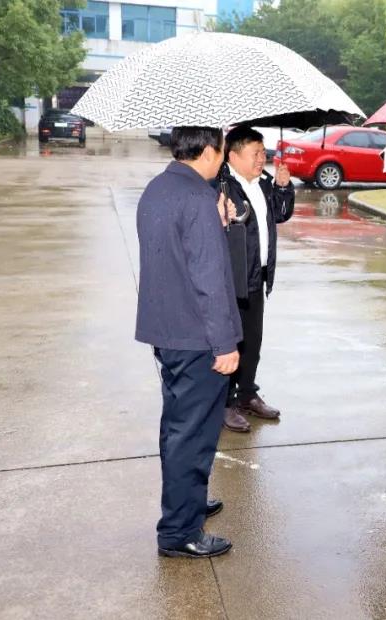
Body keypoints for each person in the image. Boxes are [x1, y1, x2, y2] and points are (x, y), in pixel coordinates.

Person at [135, 127, 241, 558]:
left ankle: (187, 501)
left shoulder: (159, 188)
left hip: (169, 330)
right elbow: (208, 279)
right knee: (192, 436)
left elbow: (175, 253)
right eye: (224, 150)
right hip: (198, 337)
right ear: (210, 150)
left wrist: (216, 223)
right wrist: (225, 345)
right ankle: (180, 530)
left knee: (178, 428)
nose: (224, 159)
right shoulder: (197, 198)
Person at [217, 126, 295, 433]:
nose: (262, 158)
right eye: (255, 153)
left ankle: (247, 394)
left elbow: (280, 214)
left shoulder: (262, 183)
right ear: (234, 155)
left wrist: (283, 188)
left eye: (264, 152)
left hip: (257, 275)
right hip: (231, 278)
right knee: (230, 342)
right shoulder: (221, 186)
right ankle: (225, 402)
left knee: (253, 341)